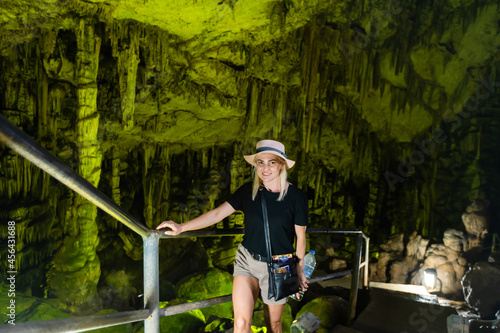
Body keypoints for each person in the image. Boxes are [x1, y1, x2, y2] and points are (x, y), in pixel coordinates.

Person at [156, 139, 309, 333]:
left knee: (274, 325)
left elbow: (300, 237)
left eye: (271, 162)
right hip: (246, 260)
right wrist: (182, 227)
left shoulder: (296, 197)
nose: (265, 168)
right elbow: (217, 214)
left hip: (279, 266)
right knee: (240, 323)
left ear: (281, 165)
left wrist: (300, 268)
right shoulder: (248, 191)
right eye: (260, 162)